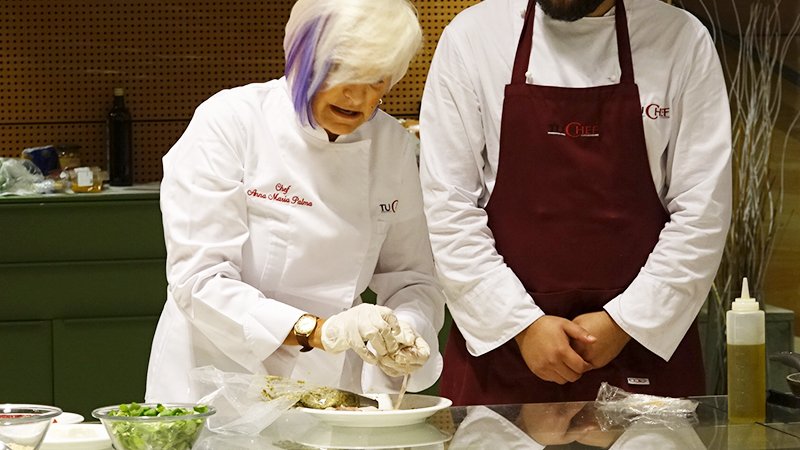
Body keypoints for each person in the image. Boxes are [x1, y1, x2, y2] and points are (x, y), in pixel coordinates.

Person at [419, 0, 732, 405]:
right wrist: (522, 325)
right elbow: (449, 209)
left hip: (642, 347)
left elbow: (702, 213)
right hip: (503, 348)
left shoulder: (681, 40)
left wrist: (624, 322)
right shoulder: (473, 37)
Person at [146, 0, 444, 403]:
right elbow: (200, 281)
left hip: (333, 387)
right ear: (301, 57)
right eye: (342, 72)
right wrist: (324, 332)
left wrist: (405, 331)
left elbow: (411, 277)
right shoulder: (230, 122)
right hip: (219, 382)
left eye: (376, 79)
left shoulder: (392, 145)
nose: (358, 97)